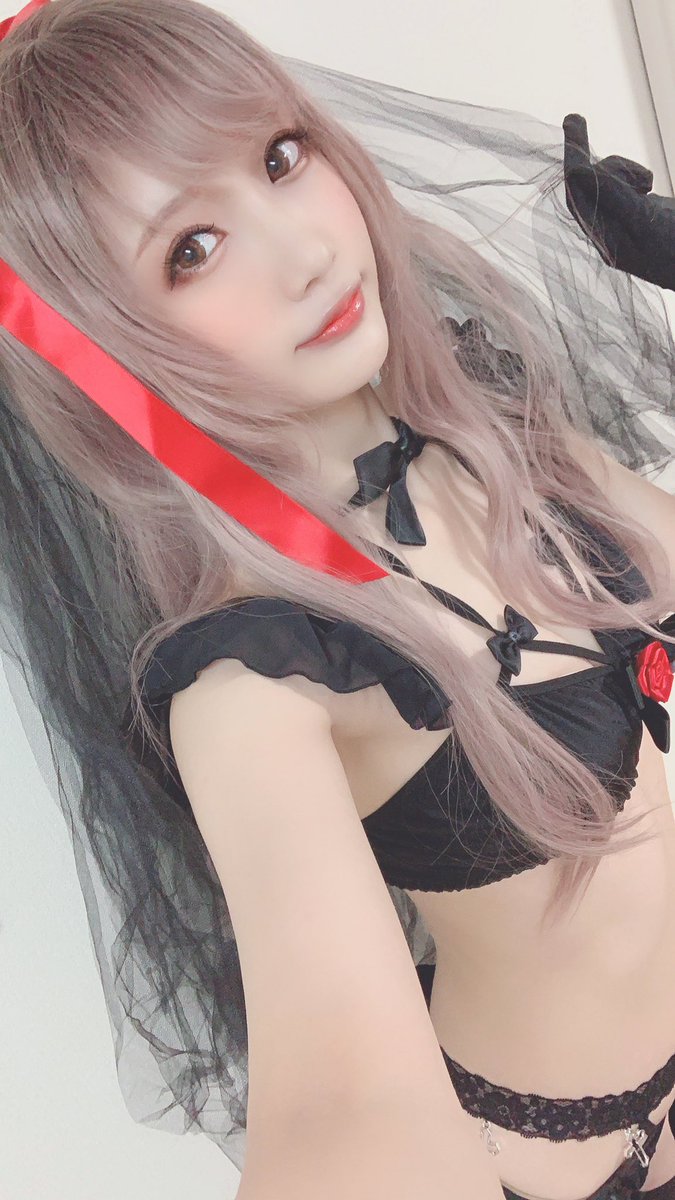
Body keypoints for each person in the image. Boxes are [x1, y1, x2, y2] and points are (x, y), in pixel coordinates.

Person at [2, 0, 675, 1196]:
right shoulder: (254, 684)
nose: (307, 253)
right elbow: (345, 1113)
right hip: (562, 1165)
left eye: (279, 157)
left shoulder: (493, 429)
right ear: (107, 339)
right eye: (191, 248)